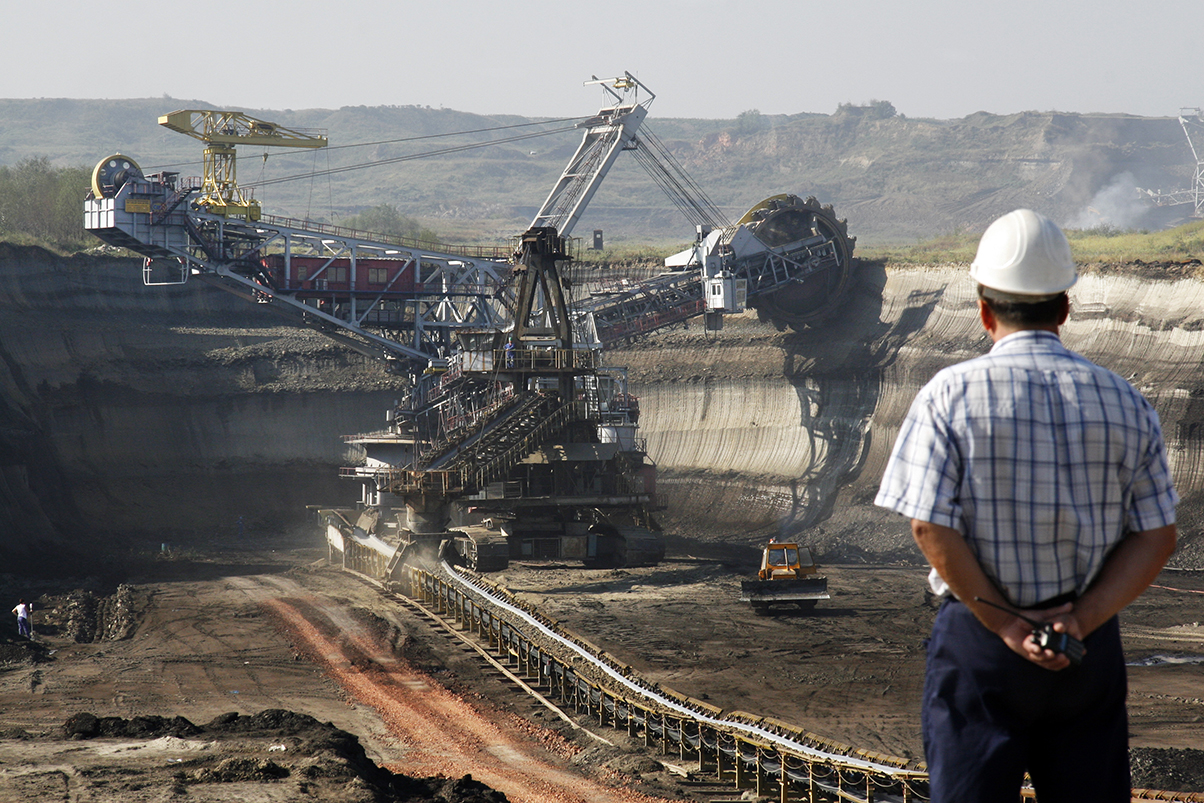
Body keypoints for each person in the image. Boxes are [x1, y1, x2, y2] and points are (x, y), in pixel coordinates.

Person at [875, 209, 1178, 803]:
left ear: (984, 310)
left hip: (981, 644)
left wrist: (1009, 627)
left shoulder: (947, 396)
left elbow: (929, 525)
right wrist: (1081, 620)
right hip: (1084, 649)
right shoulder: (1125, 401)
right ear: (1064, 308)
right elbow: (1157, 535)